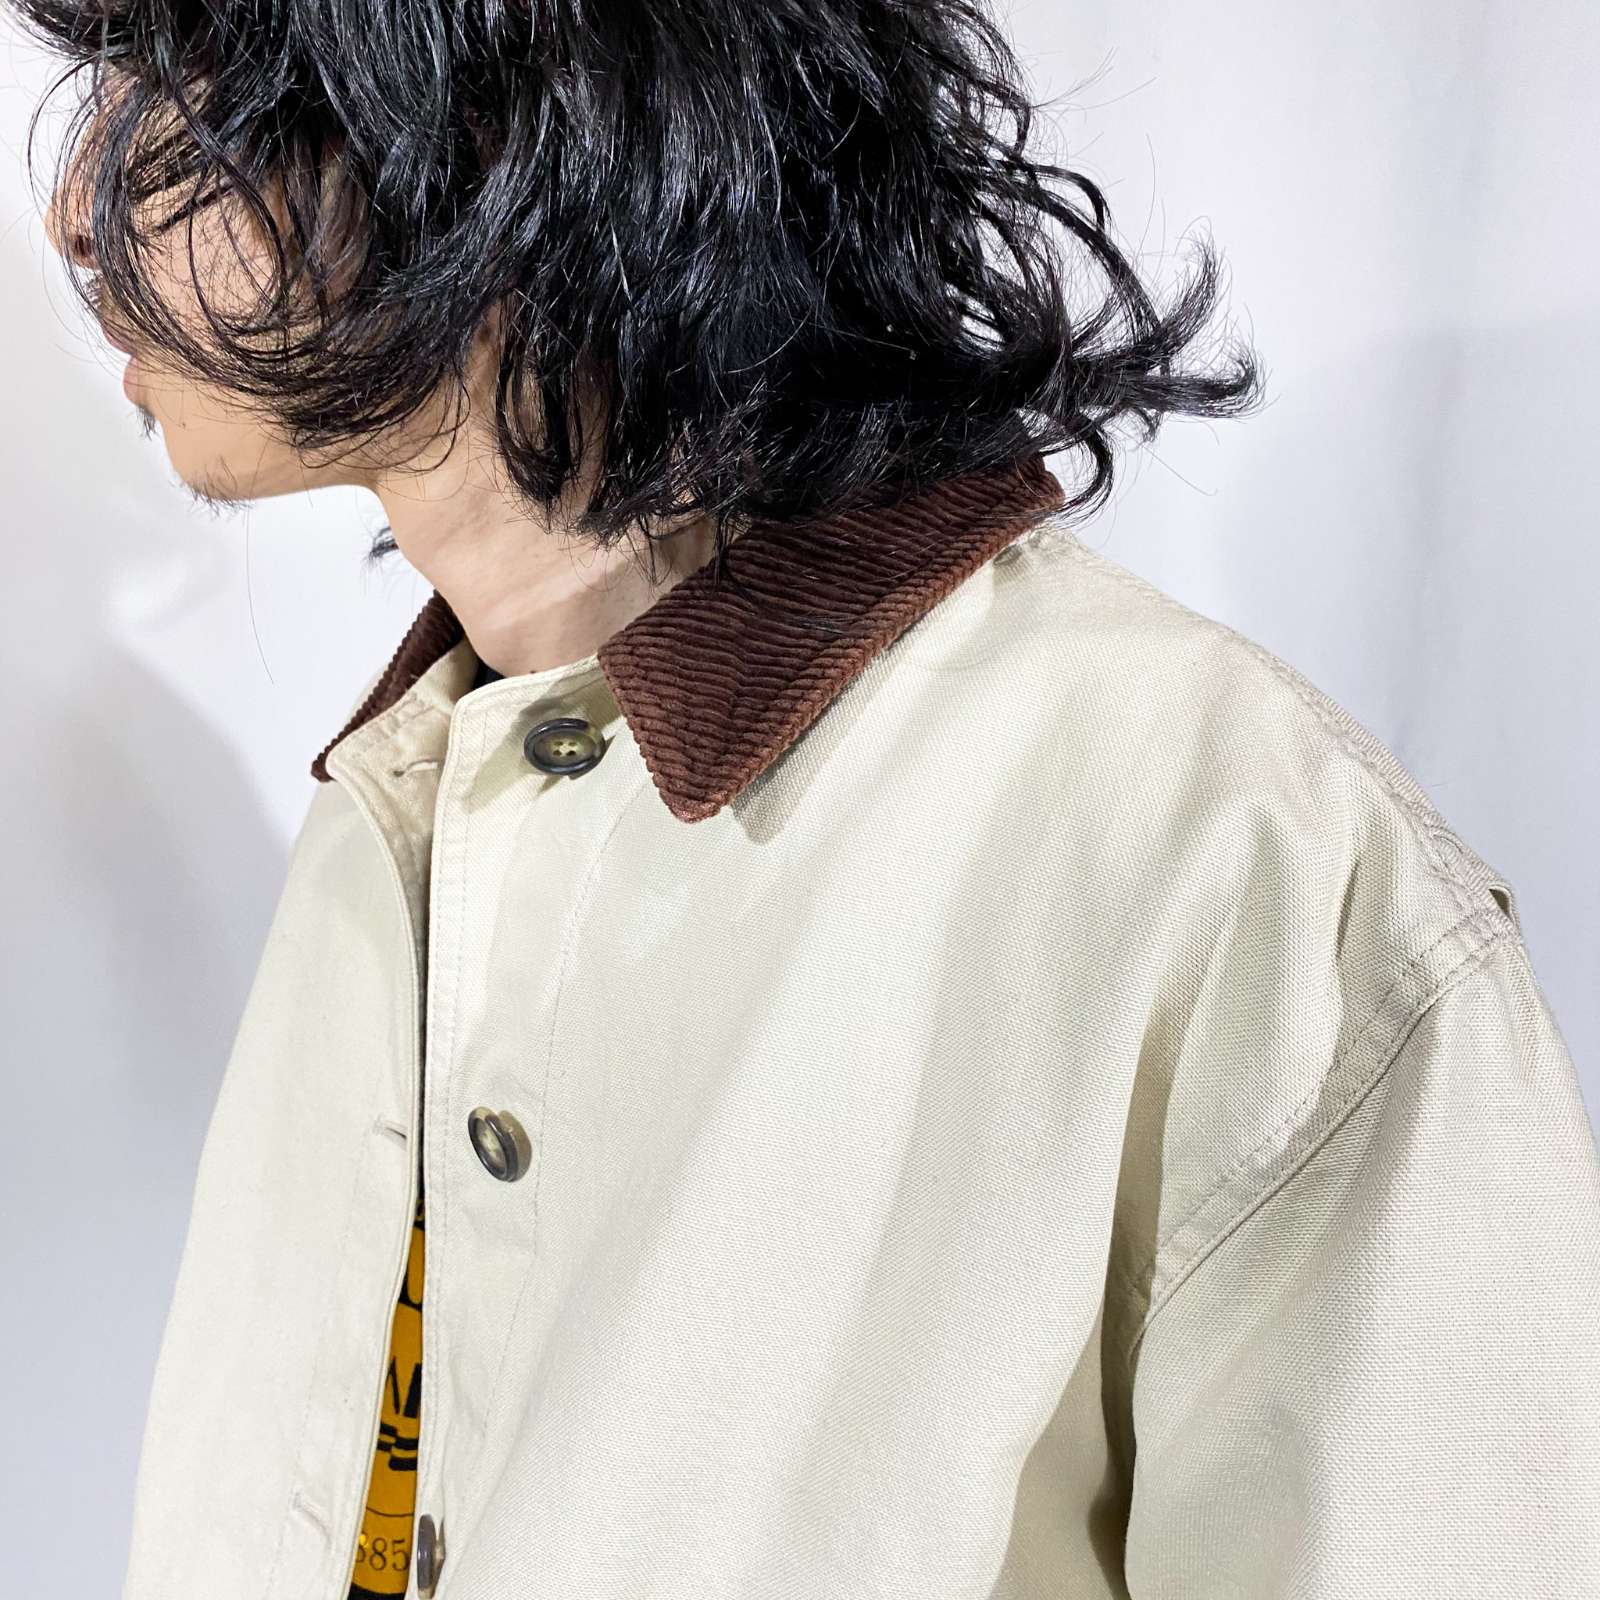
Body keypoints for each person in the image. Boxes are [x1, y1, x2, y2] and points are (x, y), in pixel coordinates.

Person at [14, 0, 1598, 1594]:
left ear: (514, 110)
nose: (80, 209)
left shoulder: (1241, 857)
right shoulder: (403, 801)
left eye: (194, 84)